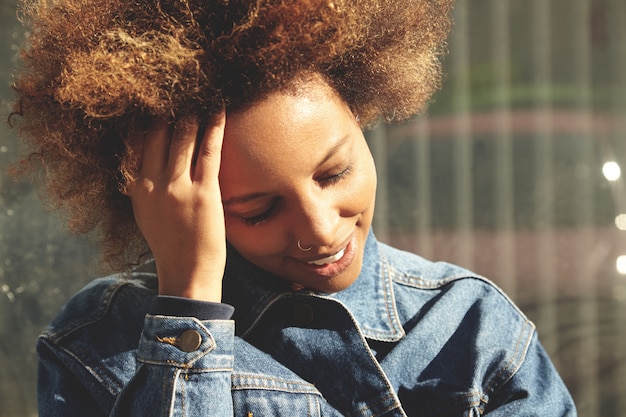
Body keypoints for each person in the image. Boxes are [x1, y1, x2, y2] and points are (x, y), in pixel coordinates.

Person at [11, 0, 577, 415]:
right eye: (259, 210)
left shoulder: (471, 327)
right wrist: (188, 302)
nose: (322, 228)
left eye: (335, 173)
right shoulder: (98, 345)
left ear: (362, 113)